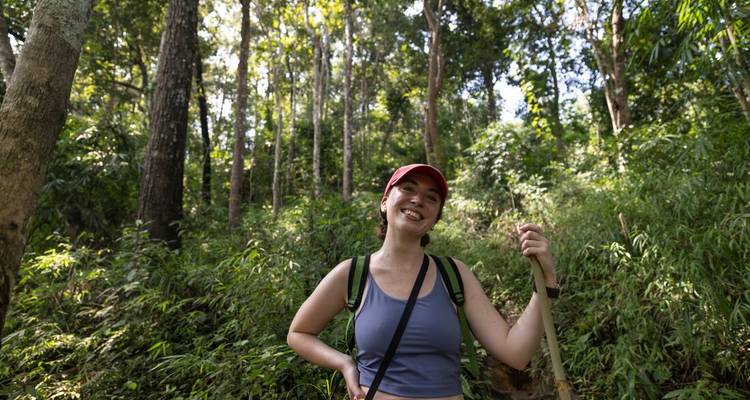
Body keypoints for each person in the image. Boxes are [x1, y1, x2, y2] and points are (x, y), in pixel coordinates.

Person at [287, 164, 558, 400]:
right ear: (385, 201)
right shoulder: (352, 273)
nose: (418, 200)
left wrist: (546, 282)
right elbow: (298, 333)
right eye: (408, 188)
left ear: (435, 218)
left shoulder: (454, 274)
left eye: (431, 198)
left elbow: (516, 353)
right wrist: (345, 364)